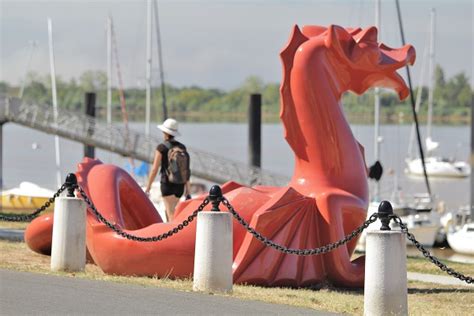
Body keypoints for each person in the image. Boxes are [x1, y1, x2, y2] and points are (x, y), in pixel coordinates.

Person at [145, 118, 191, 221]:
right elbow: (186, 170)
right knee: (172, 212)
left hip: (167, 184)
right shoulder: (182, 147)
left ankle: (174, 235)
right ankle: (171, 231)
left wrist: (148, 187)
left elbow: (154, 169)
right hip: (180, 185)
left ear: (165, 132)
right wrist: (188, 190)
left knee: (170, 214)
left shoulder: (161, 147)